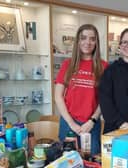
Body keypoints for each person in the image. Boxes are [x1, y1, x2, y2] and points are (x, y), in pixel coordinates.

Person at [55, 24, 108, 155]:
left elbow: (105, 99)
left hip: (91, 125)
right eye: (83, 38)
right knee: (67, 161)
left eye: (92, 39)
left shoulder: (104, 66)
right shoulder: (67, 64)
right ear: (78, 41)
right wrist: (71, 123)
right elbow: (58, 96)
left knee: (90, 160)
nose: (87, 42)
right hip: (68, 123)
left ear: (96, 42)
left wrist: (92, 120)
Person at [99, 28, 128, 134]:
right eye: (125, 42)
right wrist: (122, 123)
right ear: (120, 45)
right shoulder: (110, 70)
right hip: (115, 129)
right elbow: (105, 101)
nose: (127, 45)